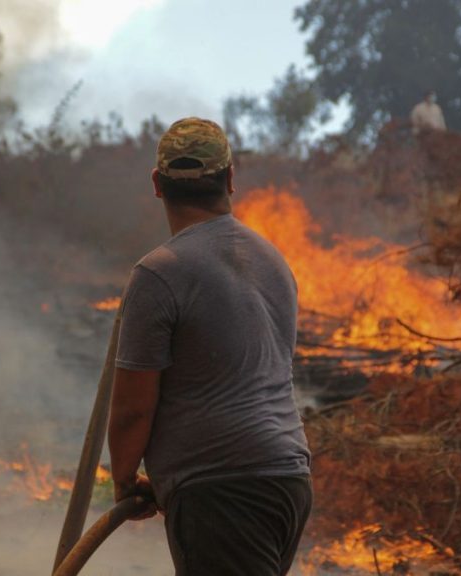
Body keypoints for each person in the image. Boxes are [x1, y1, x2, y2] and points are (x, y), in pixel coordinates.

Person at [108, 117, 312, 576]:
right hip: (288, 477)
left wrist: (123, 482)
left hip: (222, 487)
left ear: (158, 185)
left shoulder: (158, 274)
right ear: (230, 179)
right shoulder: (274, 261)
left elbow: (132, 409)